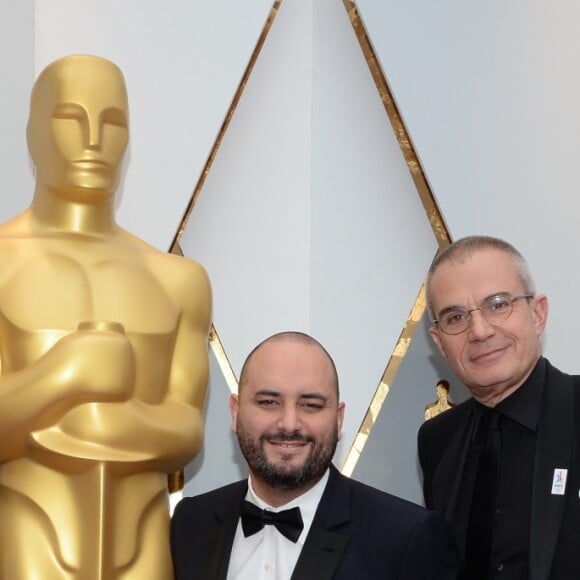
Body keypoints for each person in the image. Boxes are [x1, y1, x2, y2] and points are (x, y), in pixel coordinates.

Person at [0, 54, 212, 578]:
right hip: (26, 529)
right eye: (70, 118)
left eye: (113, 123)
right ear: (33, 134)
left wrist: (113, 421)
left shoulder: (177, 279)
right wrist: (64, 375)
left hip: (143, 537)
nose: (93, 139)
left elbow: (187, 431)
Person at [171, 331, 460, 579]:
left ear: (338, 420)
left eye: (310, 405)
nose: (289, 423)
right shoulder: (190, 523)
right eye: (269, 402)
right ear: (235, 413)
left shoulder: (406, 537)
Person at [418, 235, 580, 580]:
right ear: (440, 344)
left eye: (497, 305)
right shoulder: (435, 440)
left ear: (538, 314)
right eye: (455, 317)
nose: (478, 331)